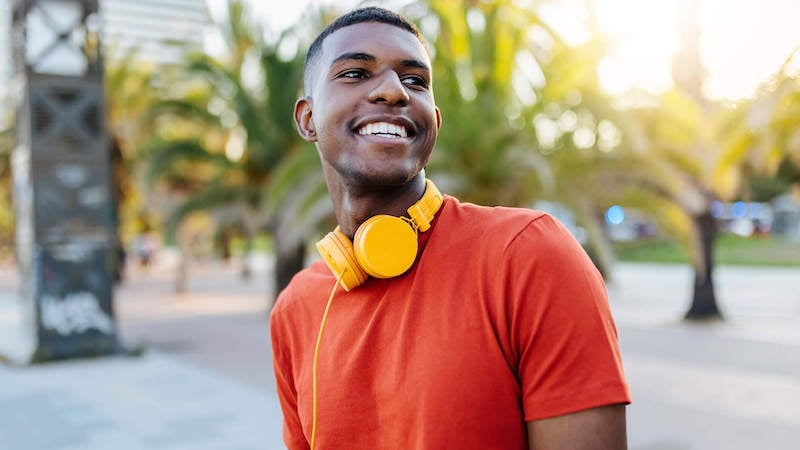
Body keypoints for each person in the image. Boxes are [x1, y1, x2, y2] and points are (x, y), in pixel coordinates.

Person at [270, 7, 630, 450]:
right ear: (307, 119)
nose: (392, 91)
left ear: (434, 123)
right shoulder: (295, 308)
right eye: (355, 73)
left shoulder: (528, 254)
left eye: (415, 81)